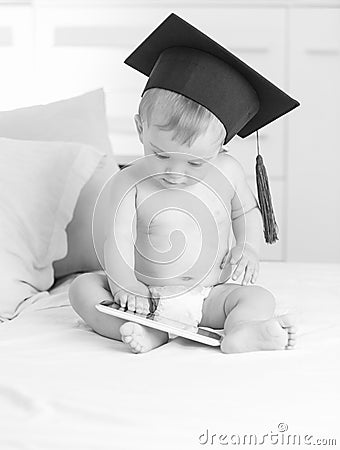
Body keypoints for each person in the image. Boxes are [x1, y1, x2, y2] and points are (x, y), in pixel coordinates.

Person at [69, 13, 299, 354]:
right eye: (159, 155)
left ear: (220, 149)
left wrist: (248, 247)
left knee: (257, 297)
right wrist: (126, 287)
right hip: (146, 296)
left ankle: (242, 331)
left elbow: (248, 211)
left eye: (195, 162)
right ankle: (141, 330)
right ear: (139, 129)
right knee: (83, 289)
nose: (176, 172)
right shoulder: (129, 182)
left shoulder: (229, 171)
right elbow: (116, 240)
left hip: (210, 296)